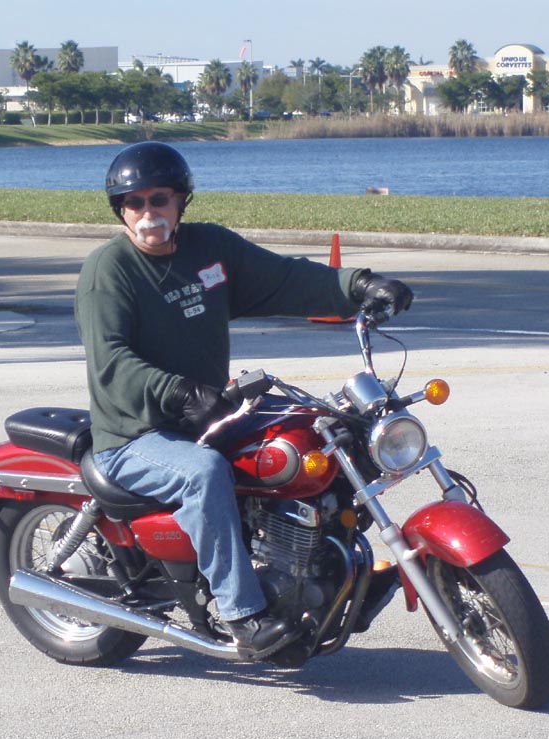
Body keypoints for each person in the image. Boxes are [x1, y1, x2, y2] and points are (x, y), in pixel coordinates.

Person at [74, 141, 413, 656]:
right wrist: (180, 391)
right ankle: (243, 615)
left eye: (159, 199)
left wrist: (360, 285)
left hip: (207, 415)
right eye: (134, 202)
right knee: (203, 472)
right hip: (134, 433)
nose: (148, 212)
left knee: (324, 428)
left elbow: (284, 278)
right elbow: (111, 361)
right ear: (120, 209)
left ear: (181, 200)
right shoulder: (108, 270)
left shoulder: (208, 249)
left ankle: (333, 568)